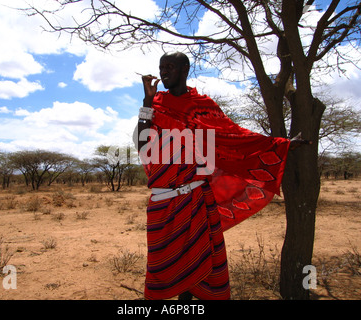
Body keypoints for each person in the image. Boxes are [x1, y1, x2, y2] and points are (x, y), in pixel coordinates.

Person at [133, 52, 310, 300]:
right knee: (162, 266)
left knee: (200, 261)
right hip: (162, 202)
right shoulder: (156, 104)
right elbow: (143, 145)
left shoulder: (202, 106)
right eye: (161, 67)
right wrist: (147, 102)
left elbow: (234, 136)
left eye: (170, 67)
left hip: (195, 197)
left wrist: (282, 145)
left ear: (185, 69)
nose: (163, 72)